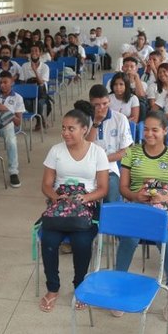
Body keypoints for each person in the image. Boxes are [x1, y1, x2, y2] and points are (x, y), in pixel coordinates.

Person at [39, 109, 109, 312]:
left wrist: (85, 198)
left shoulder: (97, 152)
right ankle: (53, 288)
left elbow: (103, 188)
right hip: (60, 206)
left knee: (82, 242)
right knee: (49, 241)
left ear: (84, 129)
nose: (65, 133)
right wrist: (55, 197)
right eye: (63, 128)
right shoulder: (56, 151)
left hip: (85, 208)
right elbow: (46, 184)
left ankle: (79, 285)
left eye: (71, 128)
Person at [116, 110, 168, 319]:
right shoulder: (131, 153)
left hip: (162, 206)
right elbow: (123, 188)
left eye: (155, 130)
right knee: (129, 239)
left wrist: (162, 199)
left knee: (167, 240)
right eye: (146, 129)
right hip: (137, 203)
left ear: (165, 131)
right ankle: (118, 286)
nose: (149, 134)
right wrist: (136, 196)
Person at [85, 85, 133, 206]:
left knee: (111, 194)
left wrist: (102, 160)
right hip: (86, 166)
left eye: (105, 103)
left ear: (109, 101)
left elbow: (126, 151)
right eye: (97, 104)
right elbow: (83, 147)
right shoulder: (84, 119)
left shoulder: (120, 119)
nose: (102, 108)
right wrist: (95, 123)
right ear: (91, 103)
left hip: (110, 167)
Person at [0, 71, 23, 187]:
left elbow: (18, 122)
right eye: (0, 82)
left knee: (11, 139)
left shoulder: (17, 98)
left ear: (12, 82)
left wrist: (6, 109)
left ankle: (13, 172)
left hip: (6, 126)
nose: (2, 85)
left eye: (5, 82)